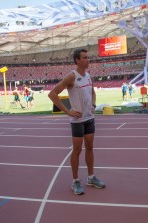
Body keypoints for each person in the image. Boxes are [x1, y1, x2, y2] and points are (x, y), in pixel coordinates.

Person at [48, 48, 105, 195]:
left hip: (89, 119)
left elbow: (92, 92)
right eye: (85, 57)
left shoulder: (88, 76)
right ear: (77, 60)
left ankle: (91, 177)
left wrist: (93, 104)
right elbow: (52, 94)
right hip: (77, 121)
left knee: (90, 148)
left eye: (88, 57)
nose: (88, 59)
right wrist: (68, 111)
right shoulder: (71, 77)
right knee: (77, 150)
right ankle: (75, 181)